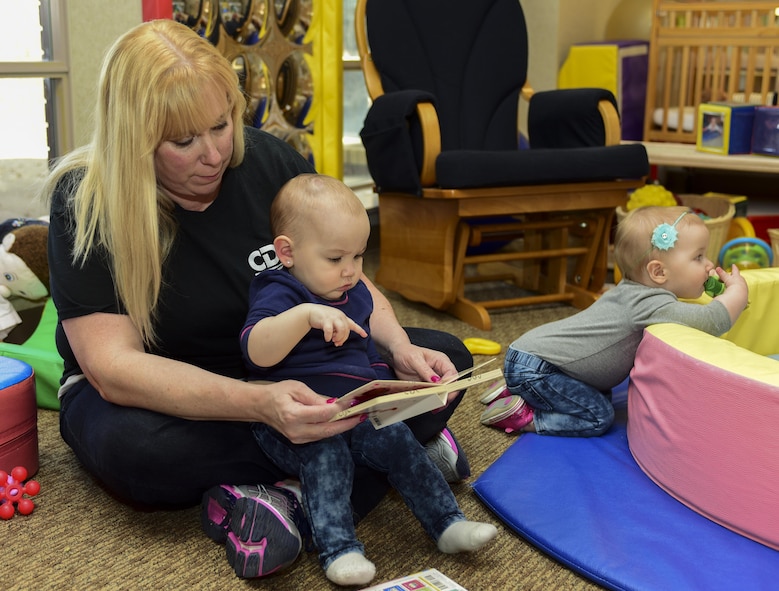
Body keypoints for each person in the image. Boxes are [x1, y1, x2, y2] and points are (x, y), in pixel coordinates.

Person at [42, 19, 473, 580]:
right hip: (155, 388)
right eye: (183, 141)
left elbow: (343, 271)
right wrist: (261, 404)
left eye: (221, 124)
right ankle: (380, 458)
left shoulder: (269, 162)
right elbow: (113, 368)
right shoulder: (85, 202)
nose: (214, 153)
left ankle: (289, 501)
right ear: (134, 138)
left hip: (295, 364)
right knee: (138, 453)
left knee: (446, 360)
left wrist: (397, 348)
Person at [241, 174, 497, 586]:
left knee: (399, 440)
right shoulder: (278, 290)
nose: (351, 271)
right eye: (335, 259)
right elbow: (256, 349)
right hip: (298, 426)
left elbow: (364, 357)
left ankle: (447, 524)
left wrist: (397, 390)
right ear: (286, 252)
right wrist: (305, 317)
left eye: (359, 256)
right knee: (328, 457)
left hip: (357, 413)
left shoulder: (354, 290)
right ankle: (339, 550)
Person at [481, 205, 749, 437]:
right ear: (658, 271)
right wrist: (736, 294)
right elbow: (711, 321)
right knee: (598, 415)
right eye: (698, 256)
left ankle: (513, 392)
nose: (709, 264)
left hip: (532, 358)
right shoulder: (650, 302)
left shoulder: (632, 291)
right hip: (539, 369)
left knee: (601, 394)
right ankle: (524, 418)